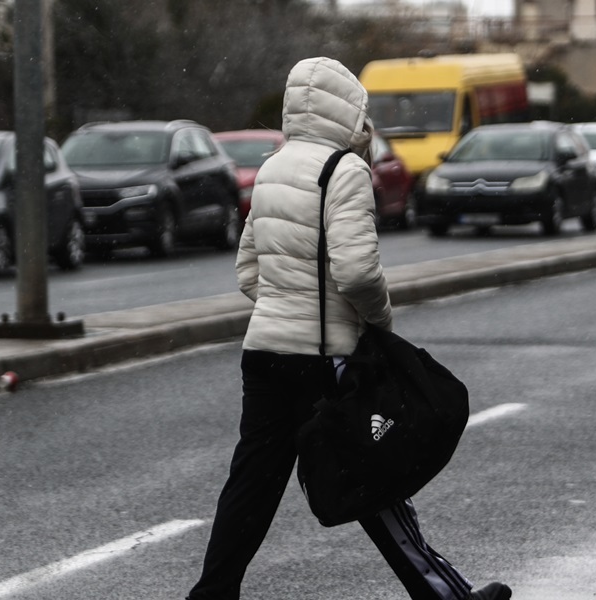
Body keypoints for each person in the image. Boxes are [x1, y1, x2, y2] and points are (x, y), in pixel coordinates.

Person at [185, 57, 512, 600]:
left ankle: (211, 595)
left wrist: (285, 307)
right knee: (374, 476)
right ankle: (446, 596)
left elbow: (247, 272)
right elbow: (358, 272)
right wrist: (378, 323)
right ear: (347, 111)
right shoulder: (344, 170)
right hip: (324, 355)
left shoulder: (272, 168)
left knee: (252, 484)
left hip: (264, 352)